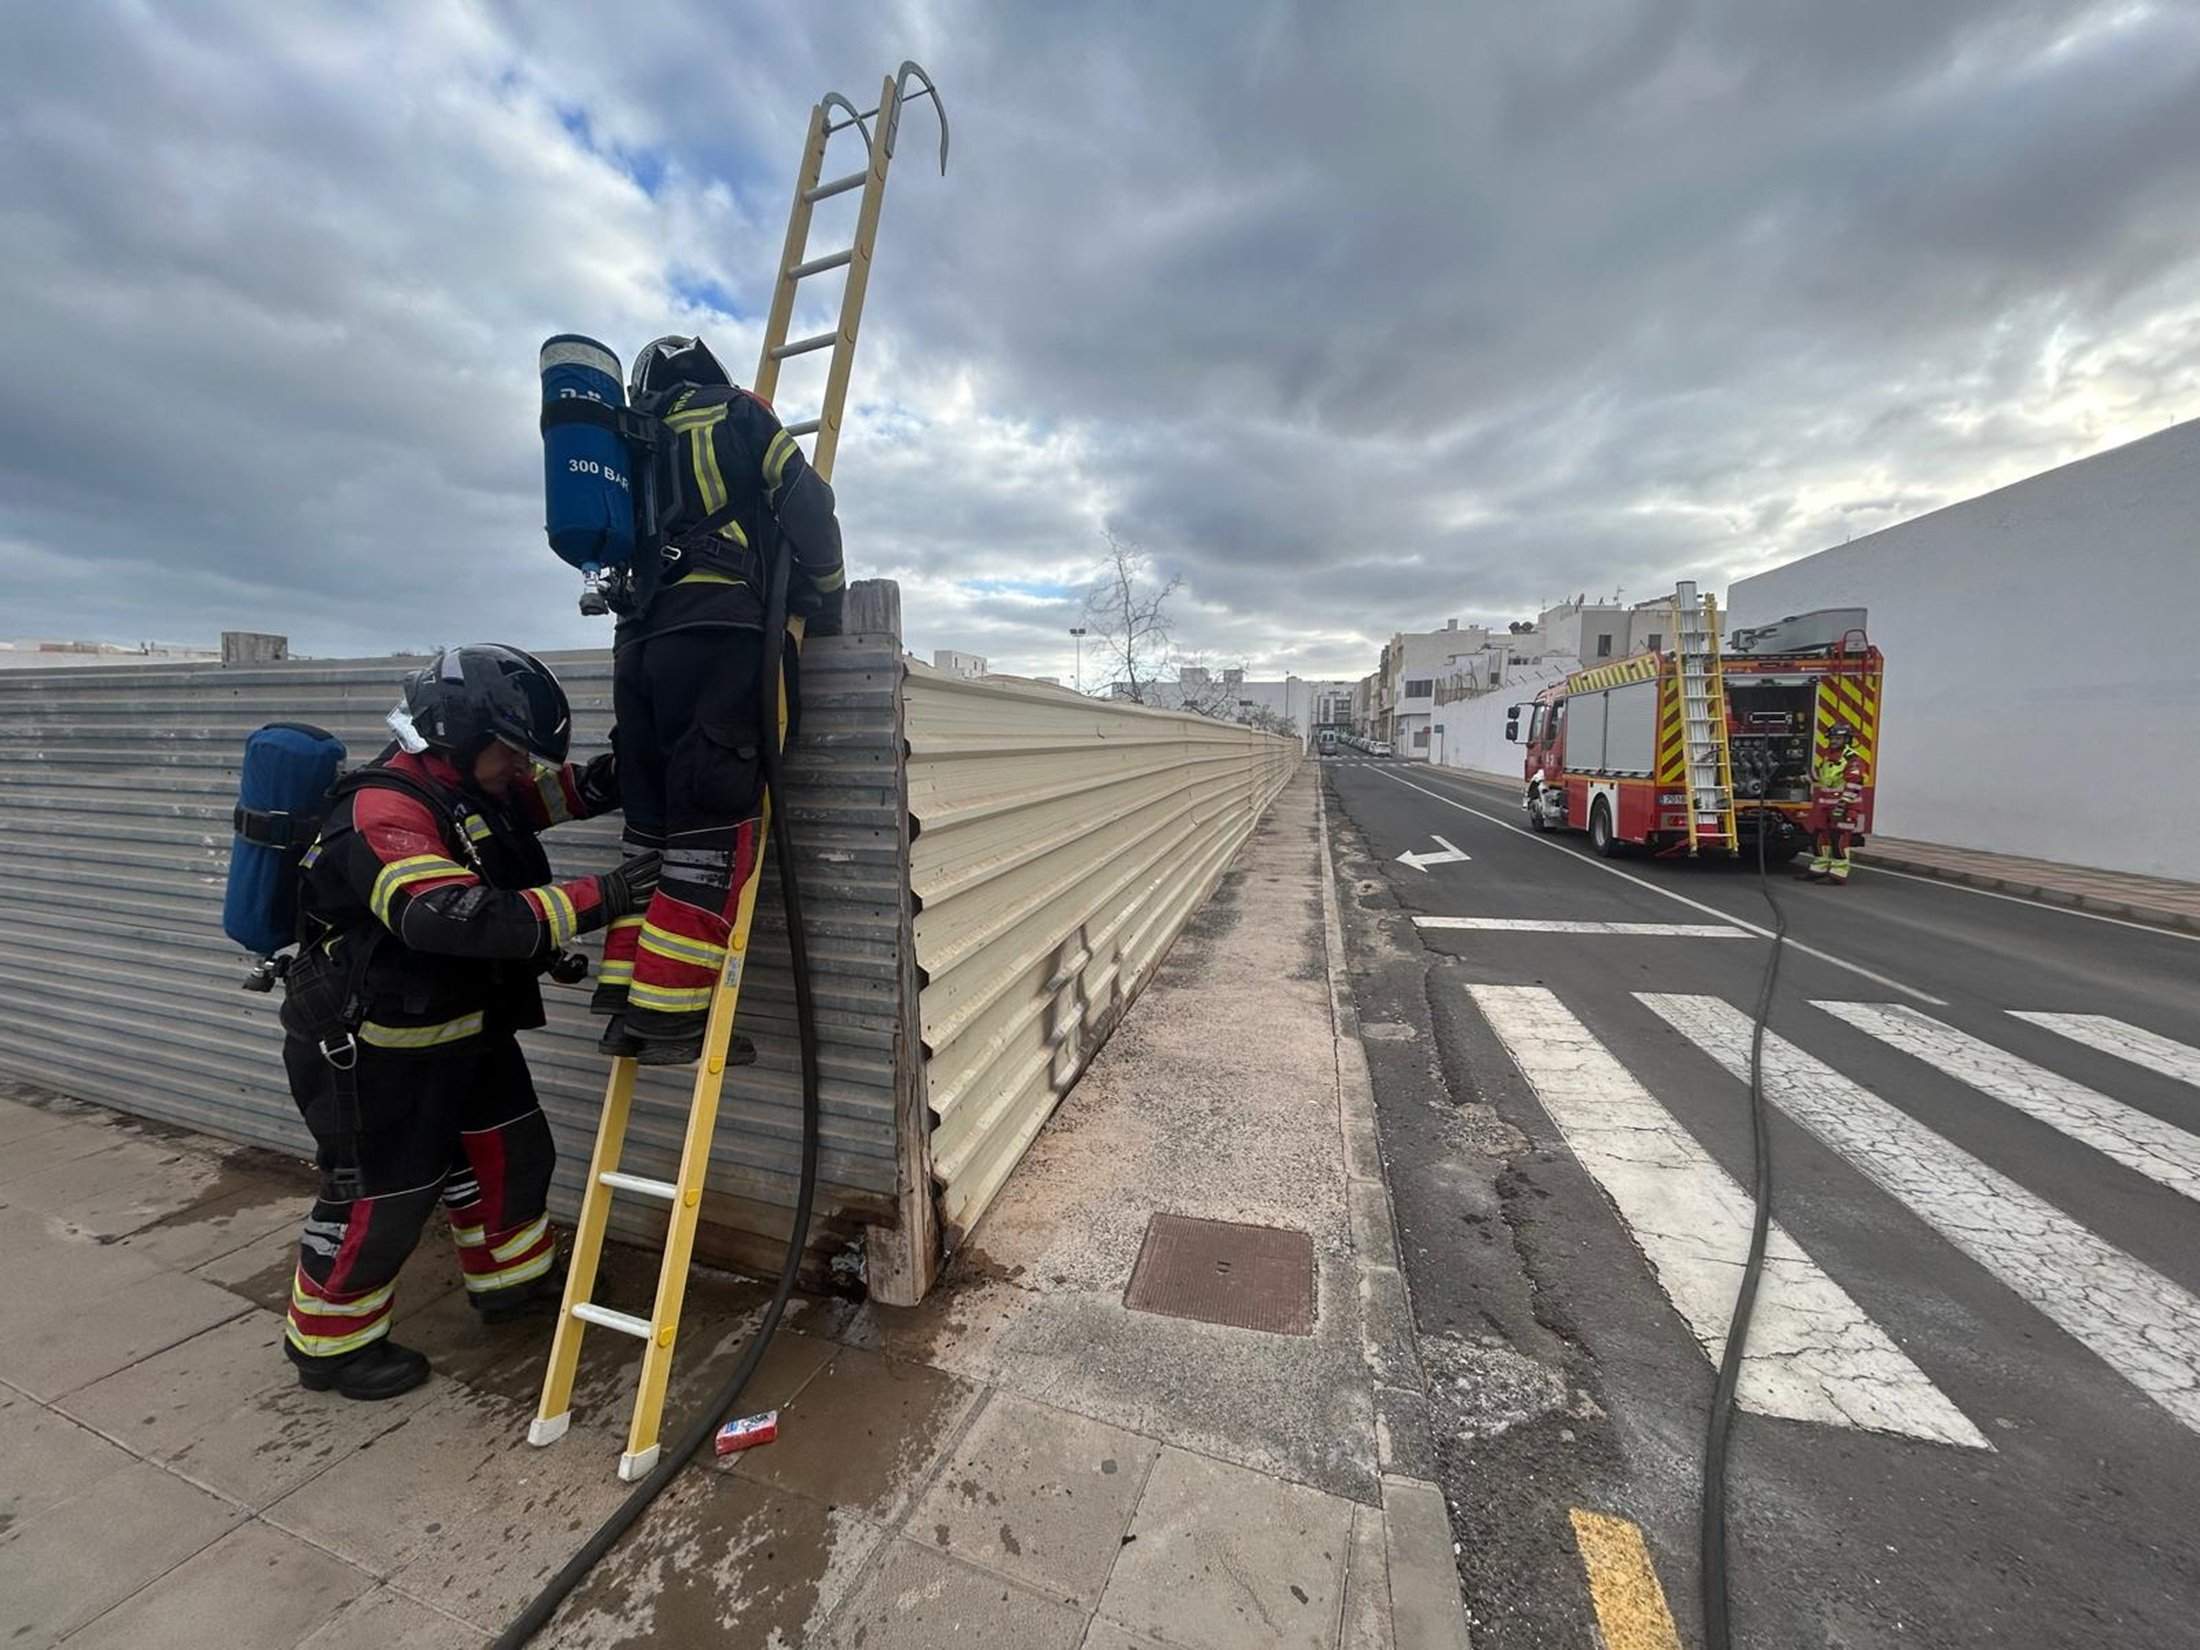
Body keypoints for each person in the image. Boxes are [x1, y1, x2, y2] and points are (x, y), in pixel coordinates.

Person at [278, 644, 662, 1400]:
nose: (522, 770)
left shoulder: (472, 787)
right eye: (511, 753)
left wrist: (636, 763)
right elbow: (450, 919)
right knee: (384, 1194)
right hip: (374, 1048)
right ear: (457, 733)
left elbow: (566, 793)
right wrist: (606, 896)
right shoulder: (381, 811)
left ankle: (512, 1284)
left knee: (512, 1154)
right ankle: (330, 1345)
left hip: (462, 1026)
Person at [590, 335, 846, 1067]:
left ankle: (626, 1000)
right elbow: (808, 506)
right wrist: (823, 600)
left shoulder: (623, 444)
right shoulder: (736, 414)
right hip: (718, 639)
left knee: (651, 835)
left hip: (635, 650)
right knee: (709, 836)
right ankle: (671, 1020)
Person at [1800, 722, 1866, 885]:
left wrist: (1843, 804)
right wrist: (1798, 779)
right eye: (1833, 738)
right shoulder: (1829, 756)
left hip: (1844, 807)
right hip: (1825, 807)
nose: (1835, 741)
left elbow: (1855, 783)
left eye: (1839, 738)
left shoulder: (1852, 759)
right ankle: (1818, 869)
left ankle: (1838, 873)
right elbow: (1821, 775)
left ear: (1847, 739)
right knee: (1818, 836)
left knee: (1839, 839)